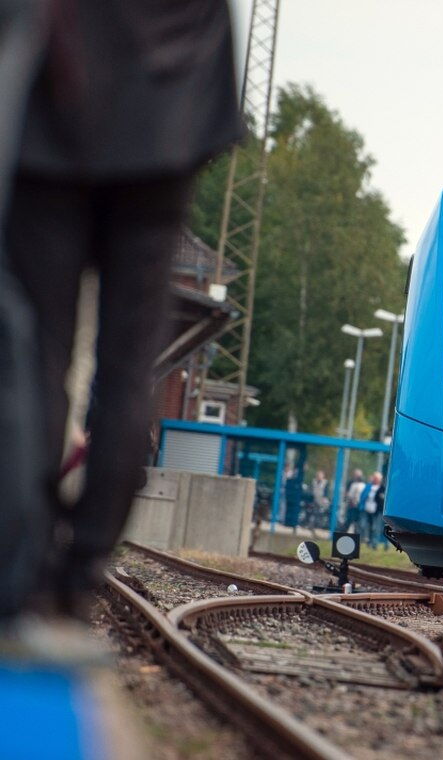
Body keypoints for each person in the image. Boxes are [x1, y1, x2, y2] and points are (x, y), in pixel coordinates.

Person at [2, 0, 242, 618]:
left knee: (39, 357)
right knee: (128, 370)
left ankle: (27, 563)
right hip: (164, 135)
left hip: (53, 123)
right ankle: (84, 568)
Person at [358, 472, 384, 550]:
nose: (375, 480)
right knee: (366, 526)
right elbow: (362, 496)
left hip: (377, 511)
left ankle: (374, 544)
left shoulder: (382, 488)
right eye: (374, 478)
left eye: (377, 478)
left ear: (380, 480)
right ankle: (368, 542)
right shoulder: (368, 486)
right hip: (366, 510)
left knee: (375, 528)